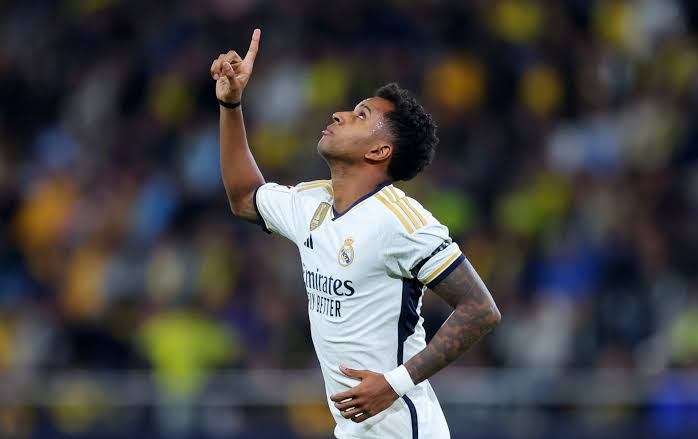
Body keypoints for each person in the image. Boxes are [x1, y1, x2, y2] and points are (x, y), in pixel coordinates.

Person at [210, 29, 501, 439]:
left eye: (361, 115)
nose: (338, 114)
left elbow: (481, 309)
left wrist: (394, 383)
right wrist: (231, 104)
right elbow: (244, 198)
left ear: (379, 151)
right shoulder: (312, 202)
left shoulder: (402, 222)